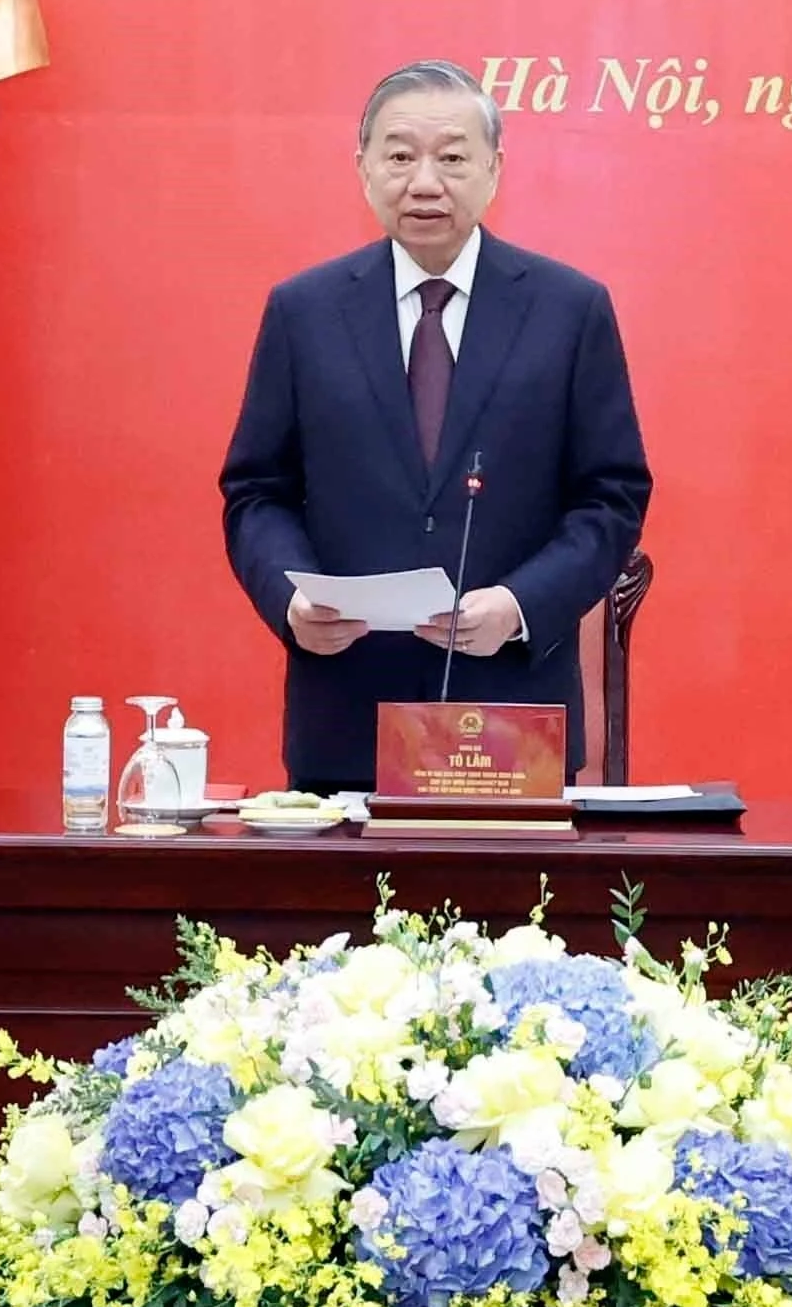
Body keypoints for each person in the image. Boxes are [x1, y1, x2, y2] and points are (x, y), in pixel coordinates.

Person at [216, 61, 654, 793]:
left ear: (494, 169)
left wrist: (520, 605)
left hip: (511, 716)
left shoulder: (569, 310)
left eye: (452, 158)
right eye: (399, 156)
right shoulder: (304, 311)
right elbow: (257, 492)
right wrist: (291, 602)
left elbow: (611, 497)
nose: (425, 183)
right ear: (362, 168)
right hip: (348, 713)